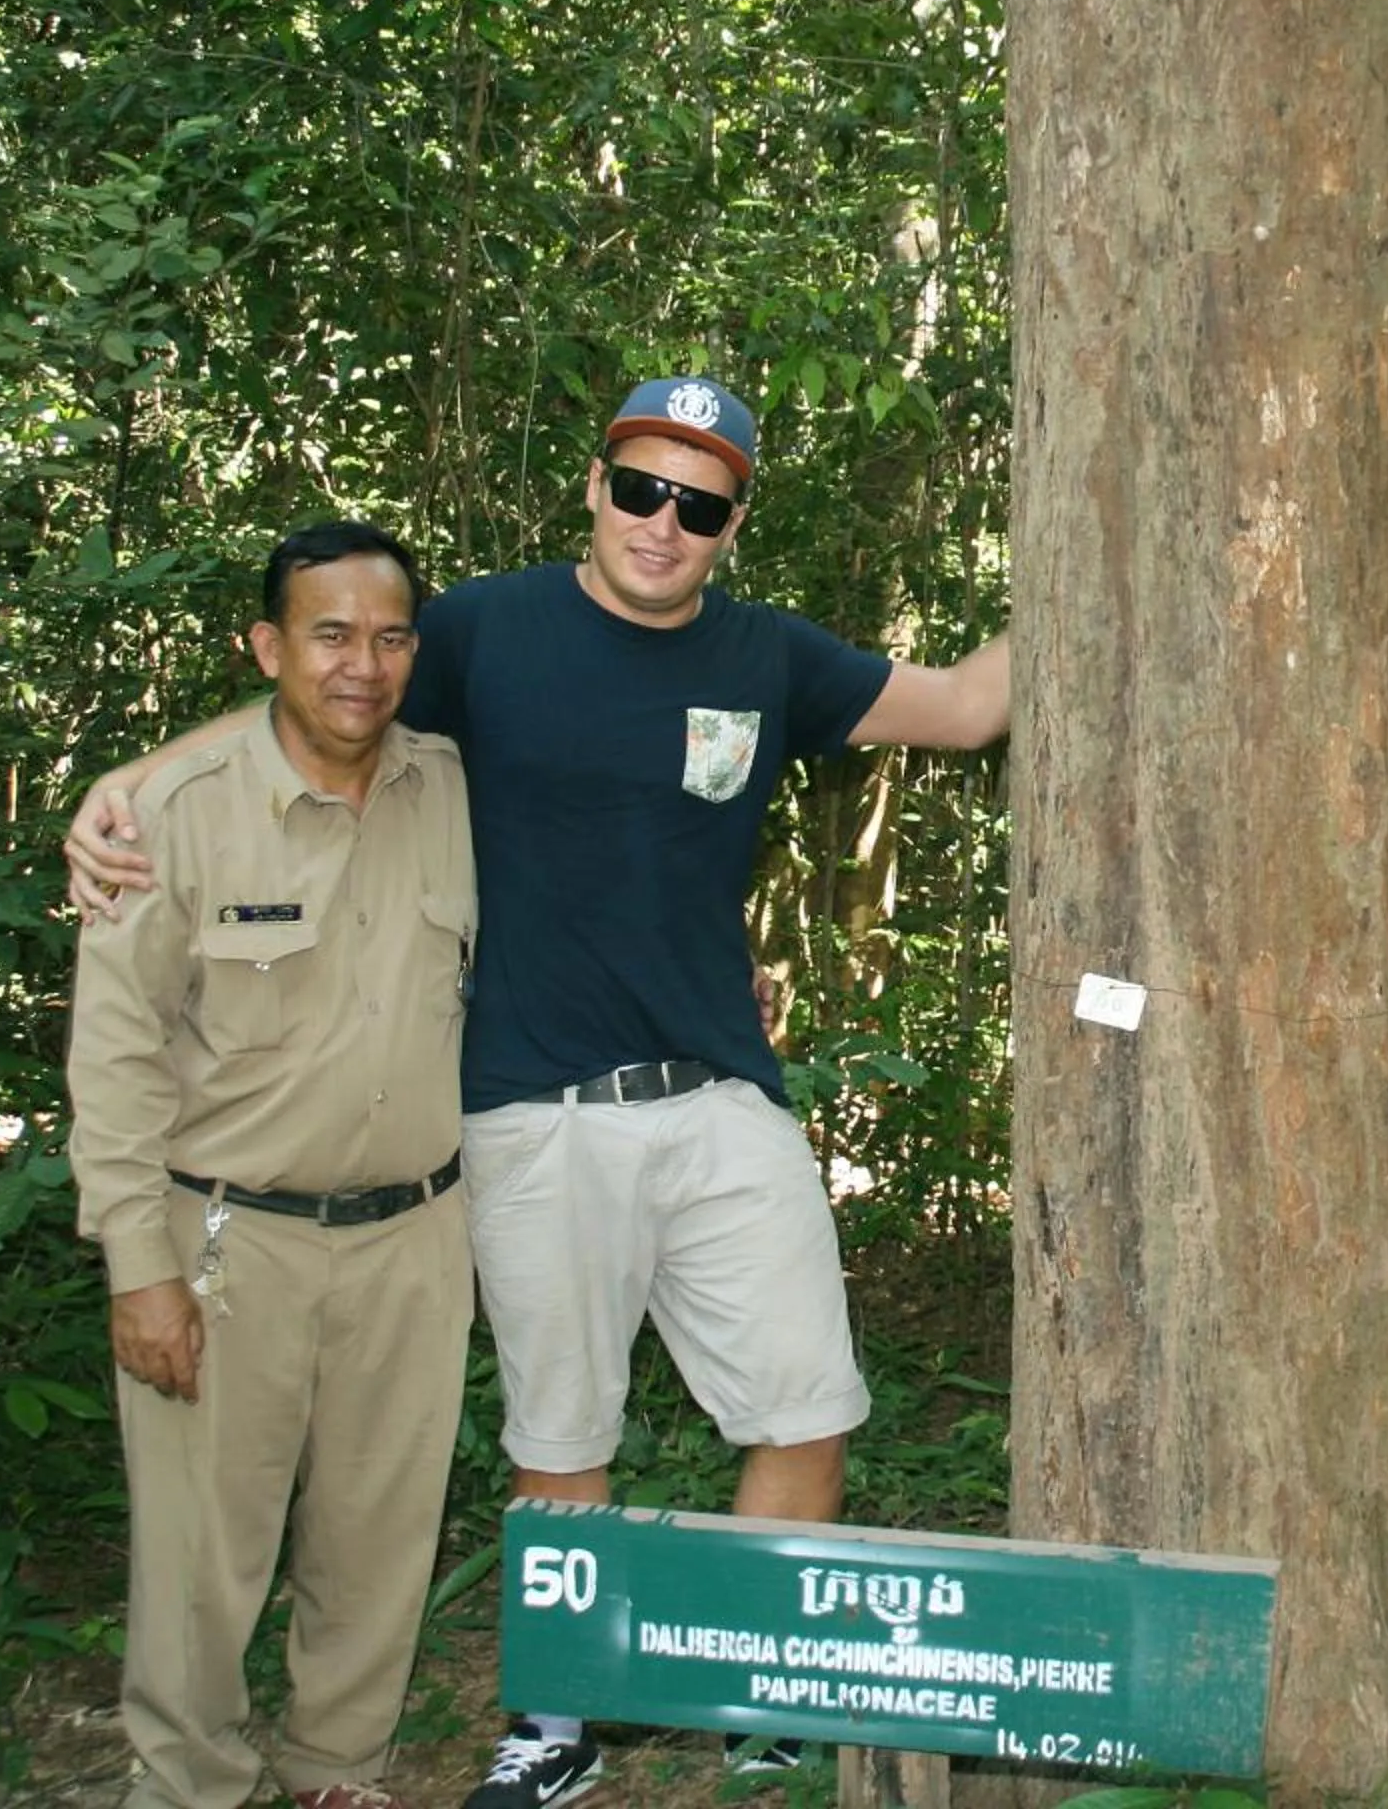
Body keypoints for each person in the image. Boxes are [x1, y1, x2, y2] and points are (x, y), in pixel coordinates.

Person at [67, 378, 1010, 1809]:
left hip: (722, 1097)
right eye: (641, 488)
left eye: (699, 504)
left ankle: (761, 1695)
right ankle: (556, 1726)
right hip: (527, 1109)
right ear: (595, 486)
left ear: (733, 524)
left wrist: (1114, 537)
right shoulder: (478, 633)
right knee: (562, 1436)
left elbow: (965, 705)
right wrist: (127, 784)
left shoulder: (770, 656)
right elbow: (316, 703)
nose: (663, 523)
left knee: (807, 1401)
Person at [69, 521, 474, 1809]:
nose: (363, 664)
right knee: (202, 1549)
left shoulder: (454, 792)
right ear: (268, 647)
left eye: (391, 637)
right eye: (330, 634)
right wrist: (139, 1268)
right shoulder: (173, 817)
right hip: (228, 1241)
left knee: (379, 1530)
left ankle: (336, 1765)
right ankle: (187, 1779)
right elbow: (117, 1057)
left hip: (415, 1237)